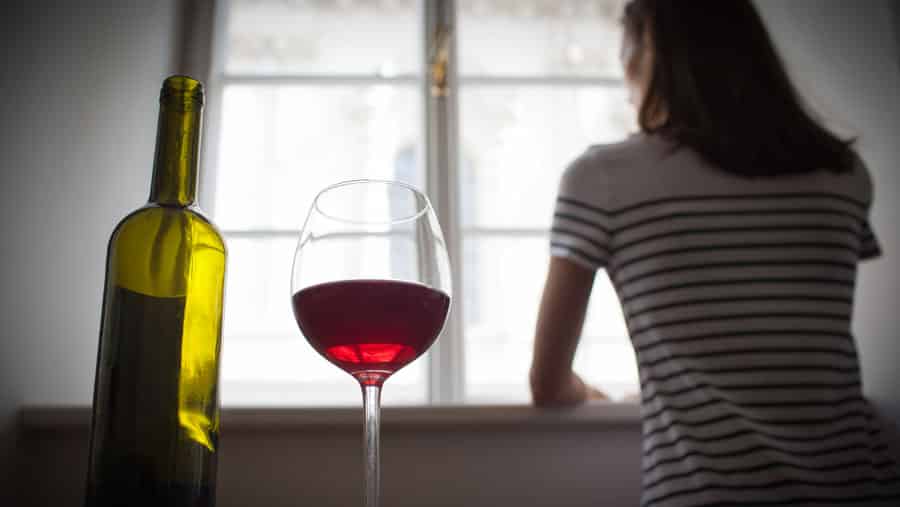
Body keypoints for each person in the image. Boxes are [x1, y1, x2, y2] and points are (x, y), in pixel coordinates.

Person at [528, 1, 900, 506]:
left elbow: (548, 384)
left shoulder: (602, 180)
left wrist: (596, 395)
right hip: (861, 486)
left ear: (644, 60)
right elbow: (790, 339)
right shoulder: (844, 174)